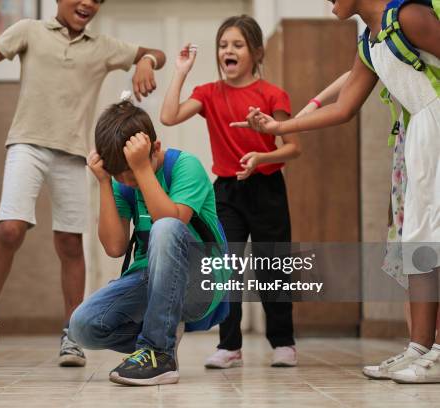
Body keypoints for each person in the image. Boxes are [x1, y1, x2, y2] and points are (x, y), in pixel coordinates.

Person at [235, 0, 440, 384]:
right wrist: (281, 128)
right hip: (420, 136)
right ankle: (420, 348)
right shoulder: (369, 41)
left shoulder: (409, 15)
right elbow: (345, 107)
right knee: (419, 240)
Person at [0, 0, 166, 369]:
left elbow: (157, 54)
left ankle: (72, 333)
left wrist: (146, 61)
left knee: (70, 242)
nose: (87, 2)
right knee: (10, 229)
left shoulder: (102, 47)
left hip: (73, 153)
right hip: (27, 143)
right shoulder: (29, 30)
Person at [160, 15, 301, 369]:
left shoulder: (272, 94)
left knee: (274, 266)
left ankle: (283, 342)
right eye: (223, 45)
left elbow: (293, 147)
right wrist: (181, 71)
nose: (228, 51)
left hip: (267, 187)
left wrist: (262, 156)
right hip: (226, 191)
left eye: (237, 45)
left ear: (255, 52)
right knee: (226, 267)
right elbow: (169, 116)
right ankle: (230, 345)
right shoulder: (208, 93)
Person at [69, 98, 228, 385]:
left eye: (130, 173)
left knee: (165, 226)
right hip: (151, 279)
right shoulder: (120, 181)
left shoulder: (184, 167)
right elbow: (115, 247)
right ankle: (158, 337)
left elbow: (172, 221)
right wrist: (105, 182)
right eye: (120, 175)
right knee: (82, 327)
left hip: (201, 280)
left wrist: (141, 169)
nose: (127, 181)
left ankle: (159, 352)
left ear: (154, 149)